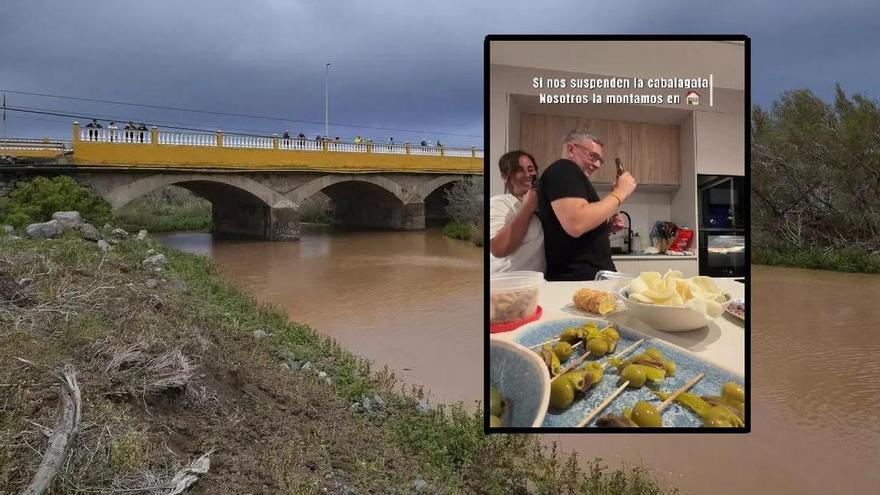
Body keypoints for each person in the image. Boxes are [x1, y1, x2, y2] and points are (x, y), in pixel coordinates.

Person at [536, 128, 637, 281]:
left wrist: (606, 228)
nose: (597, 164)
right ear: (571, 149)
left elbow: (574, 230)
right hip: (581, 280)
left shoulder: (570, 176)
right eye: (593, 156)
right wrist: (620, 193)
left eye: (600, 160)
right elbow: (576, 223)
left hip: (587, 278)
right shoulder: (564, 168)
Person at [490, 150, 545, 273]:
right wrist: (527, 208)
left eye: (530, 169)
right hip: (504, 284)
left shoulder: (541, 206)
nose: (527, 174)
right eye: (519, 170)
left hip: (532, 284)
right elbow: (498, 249)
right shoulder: (499, 203)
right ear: (505, 176)